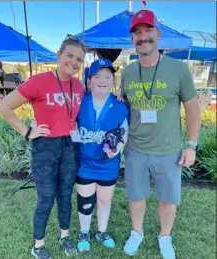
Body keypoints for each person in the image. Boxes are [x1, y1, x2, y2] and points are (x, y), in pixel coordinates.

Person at [121, 9, 201, 259]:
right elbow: (125, 109)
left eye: (148, 31)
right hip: (134, 149)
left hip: (168, 151)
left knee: (167, 199)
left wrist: (191, 145)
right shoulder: (127, 73)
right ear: (132, 39)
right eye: (137, 33)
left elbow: (192, 108)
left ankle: (165, 236)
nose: (143, 37)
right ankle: (137, 232)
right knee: (136, 197)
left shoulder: (178, 69)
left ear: (158, 33)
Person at [0, 35, 86, 259]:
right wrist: (27, 131)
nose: (74, 62)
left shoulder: (78, 86)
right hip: (45, 147)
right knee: (46, 197)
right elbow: (5, 106)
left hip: (69, 146)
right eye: (69, 56)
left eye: (79, 59)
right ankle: (38, 244)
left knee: (65, 195)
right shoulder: (39, 81)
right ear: (59, 55)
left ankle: (65, 236)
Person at [75, 58, 129, 252]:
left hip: (108, 164)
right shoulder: (79, 100)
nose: (103, 80)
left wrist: (118, 148)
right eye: (97, 76)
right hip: (84, 162)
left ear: (113, 81)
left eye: (108, 76)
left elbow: (124, 132)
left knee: (105, 200)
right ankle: (84, 232)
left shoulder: (121, 105)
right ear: (89, 80)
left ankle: (102, 231)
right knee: (86, 199)